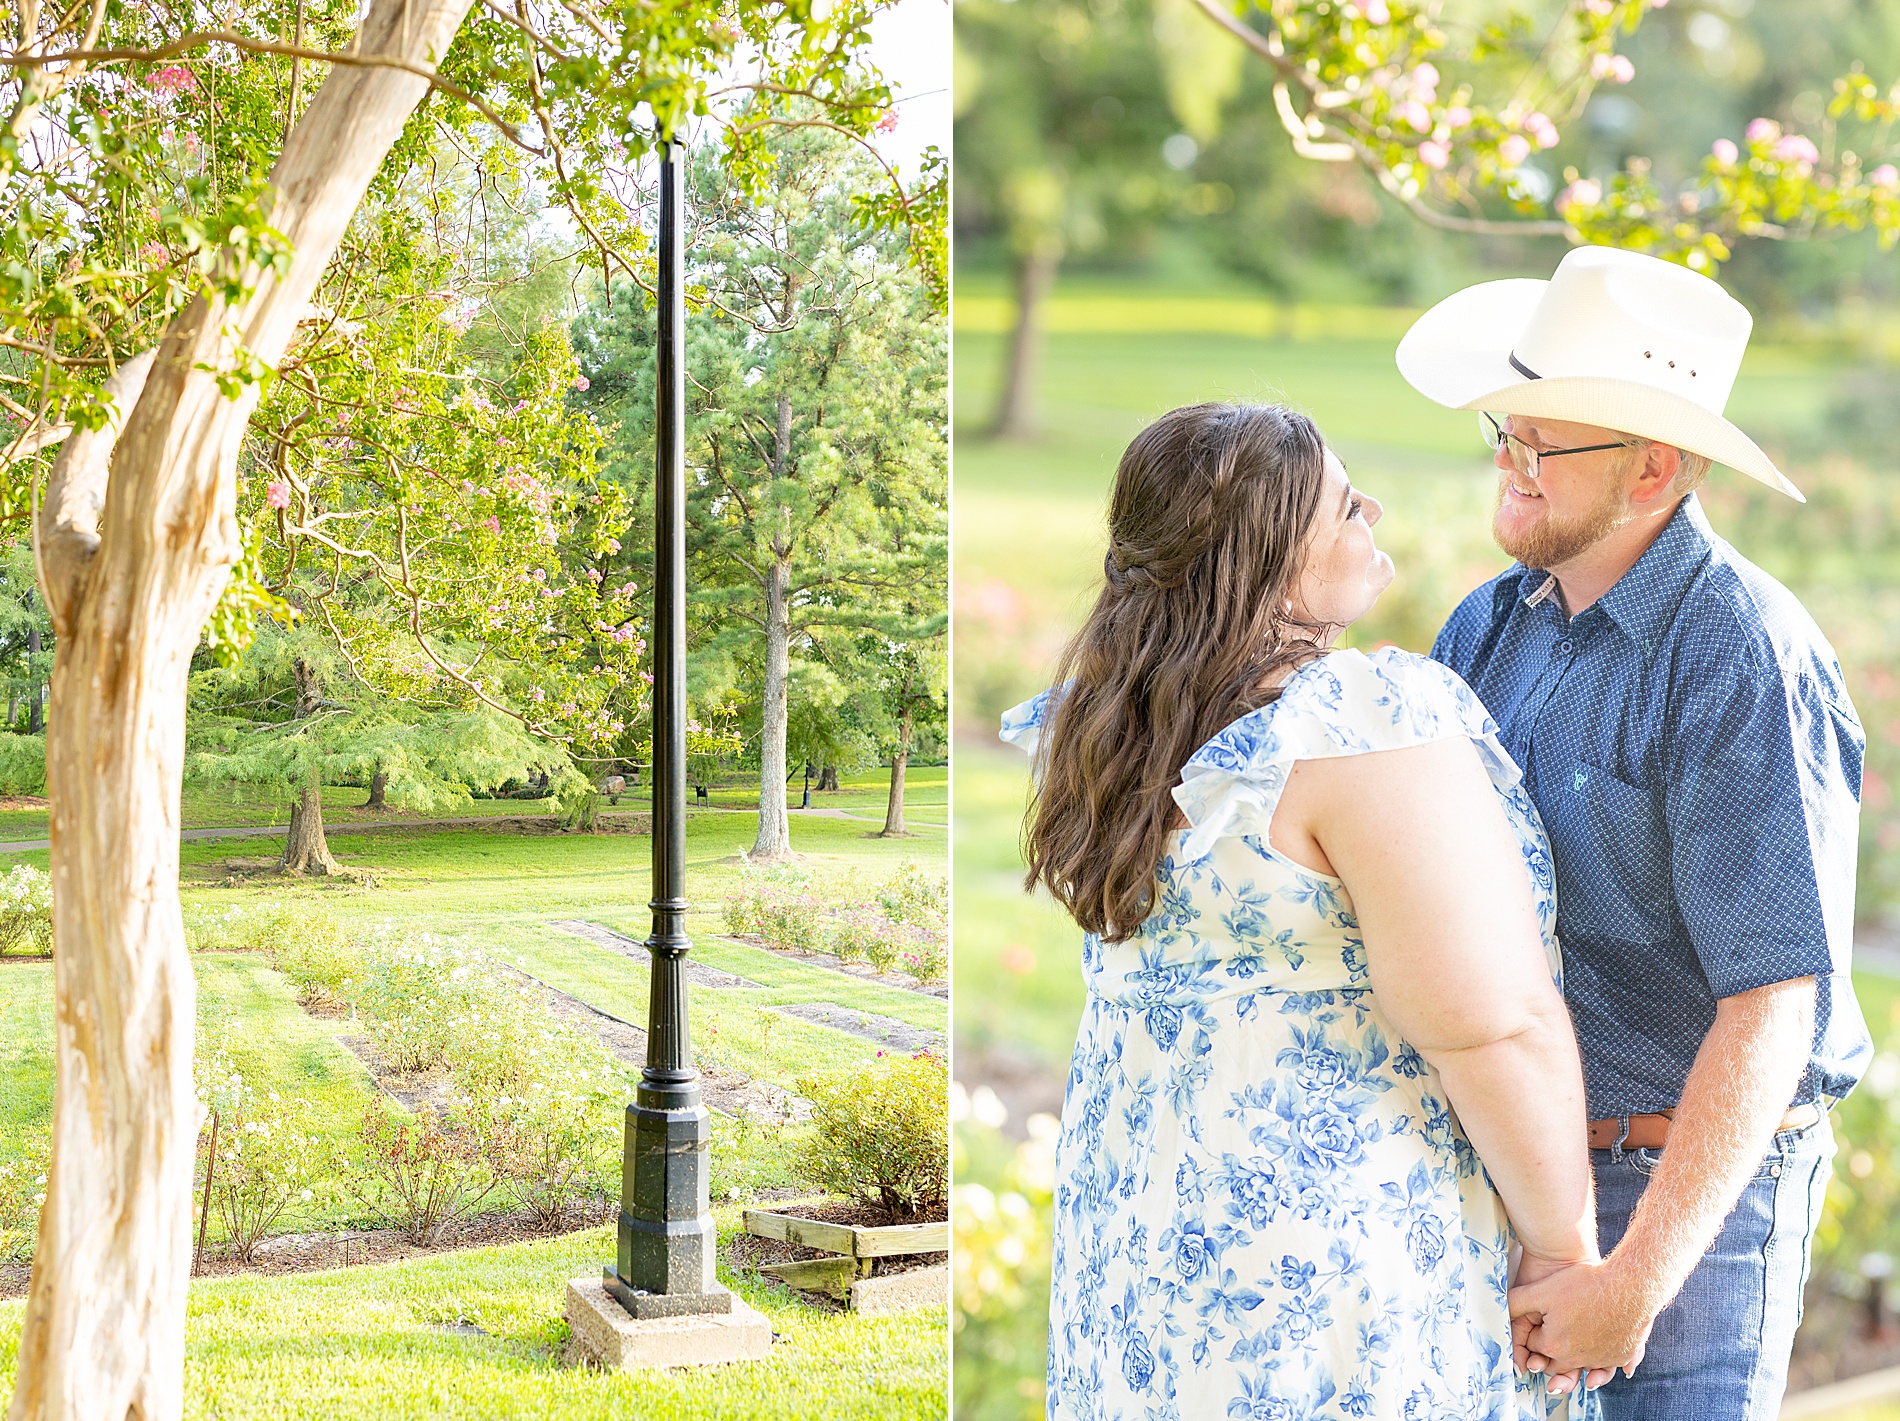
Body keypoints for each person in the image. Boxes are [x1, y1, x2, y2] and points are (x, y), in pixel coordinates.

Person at [1003, 401, 1632, 1420]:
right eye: (1343, 505)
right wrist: (1563, 1245)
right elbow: (1491, 1021)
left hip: (1146, 1232)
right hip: (1322, 1242)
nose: (1370, 508)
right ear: (1271, 558)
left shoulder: (1109, 722)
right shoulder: (1353, 726)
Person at [1403, 245, 1870, 1420]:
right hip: (1518, 1172)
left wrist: (1636, 1275)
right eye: (1503, 430)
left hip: (1689, 1201)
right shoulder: (1486, 625)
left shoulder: (1739, 654)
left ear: (1653, 466)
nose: (1505, 466)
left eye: (1537, 444)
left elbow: (1773, 1003)